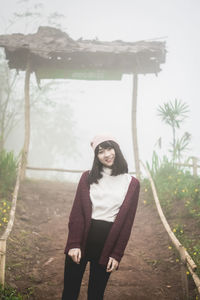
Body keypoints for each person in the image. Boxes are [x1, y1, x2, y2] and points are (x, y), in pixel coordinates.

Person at [61, 134, 140, 300]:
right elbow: (77, 213)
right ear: (96, 156)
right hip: (82, 240)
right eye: (101, 151)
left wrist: (117, 254)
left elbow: (127, 223)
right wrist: (74, 244)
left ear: (116, 150)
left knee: (96, 295)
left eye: (110, 148)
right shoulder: (87, 177)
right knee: (69, 292)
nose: (107, 154)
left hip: (107, 243)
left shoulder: (131, 183)